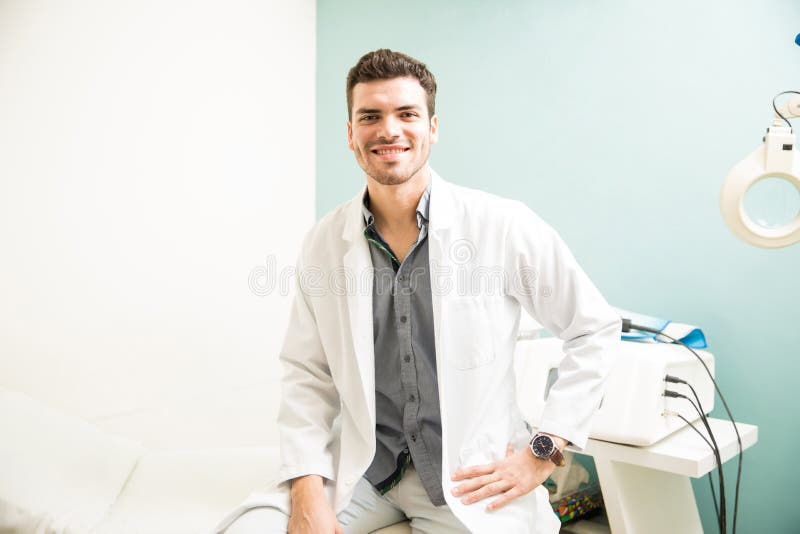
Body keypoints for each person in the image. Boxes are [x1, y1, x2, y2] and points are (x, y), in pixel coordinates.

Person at [215, 49, 620, 534]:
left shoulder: (502, 225)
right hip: (365, 474)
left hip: (471, 481)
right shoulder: (325, 241)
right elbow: (307, 373)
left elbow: (593, 328)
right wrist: (306, 493)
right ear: (350, 134)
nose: (388, 130)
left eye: (406, 114)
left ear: (432, 127)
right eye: (370, 116)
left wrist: (543, 452)